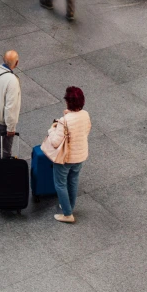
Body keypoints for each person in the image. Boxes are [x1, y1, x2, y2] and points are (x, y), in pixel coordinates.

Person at [46, 86, 91, 223]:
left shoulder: (64, 121)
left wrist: (51, 129)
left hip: (65, 158)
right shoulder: (85, 114)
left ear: (68, 102)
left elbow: (55, 142)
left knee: (60, 184)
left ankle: (67, 214)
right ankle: (69, 206)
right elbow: (86, 129)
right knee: (73, 180)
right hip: (80, 155)